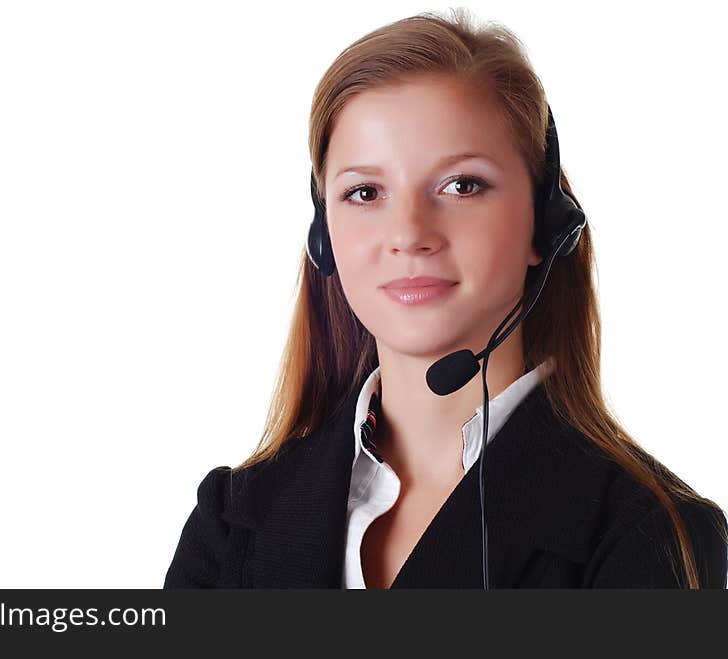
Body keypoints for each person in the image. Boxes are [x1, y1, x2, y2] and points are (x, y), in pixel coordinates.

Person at [163, 9, 728, 589]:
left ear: (544, 226)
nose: (409, 234)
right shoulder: (231, 524)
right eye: (364, 192)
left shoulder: (652, 533)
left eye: (462, 185)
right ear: (323, 235)